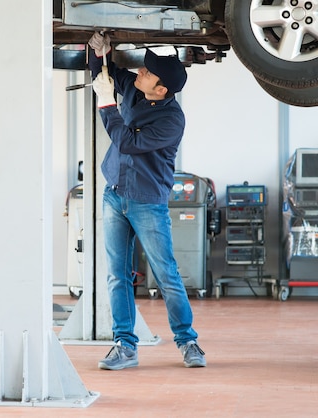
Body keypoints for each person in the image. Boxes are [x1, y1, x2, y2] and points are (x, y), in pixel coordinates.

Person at [88, 32, 206, 370]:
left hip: (147, 202)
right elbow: (105, 76)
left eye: (148, 72)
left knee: (166, 273)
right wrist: (99, 53)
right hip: (115, 195)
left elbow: (126, 142)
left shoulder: (171, 121)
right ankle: (124, 345)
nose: (140, 71)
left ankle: (188, 341)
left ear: (161, 90)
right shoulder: (138, 89)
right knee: (116, 274)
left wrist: (108, 104)